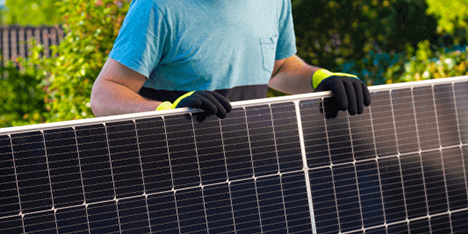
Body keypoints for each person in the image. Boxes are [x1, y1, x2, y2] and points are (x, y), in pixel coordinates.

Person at [90, 0, 370, 119]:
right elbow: (103, 94)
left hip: (250, 165)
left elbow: (280, 67)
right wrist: (168, 113)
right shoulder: (157, 7)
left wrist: (322, 79)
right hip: (177, 177)